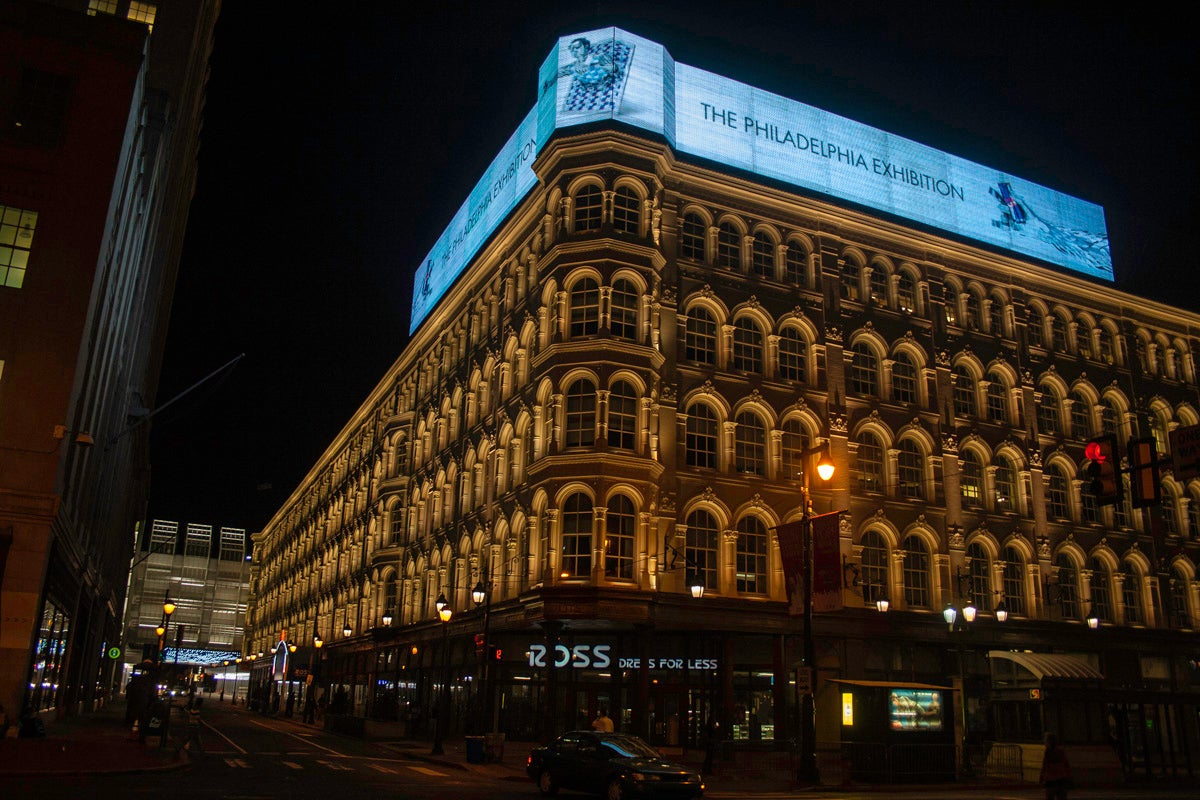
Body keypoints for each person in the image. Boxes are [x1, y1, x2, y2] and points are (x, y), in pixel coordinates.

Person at [1039, 732, 1072, 800]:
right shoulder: (1060, 751)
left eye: (1045, 740)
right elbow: (1066, 764)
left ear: (1049, 742)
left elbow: (1045, 766)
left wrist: (1042, 777)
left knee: (1050, 796)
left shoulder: (1048, 752)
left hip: (1051, 780)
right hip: (1061, 779)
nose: (1044, 742)